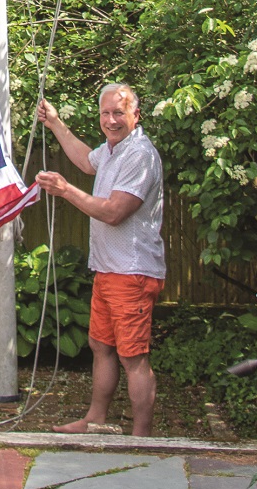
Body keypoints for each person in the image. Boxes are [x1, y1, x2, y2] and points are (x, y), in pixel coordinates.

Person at [35, 82, 165, 437]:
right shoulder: (112, 149)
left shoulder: (140, 154)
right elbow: (84, 161)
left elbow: (113, 213)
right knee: (101, 347)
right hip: (108, 269)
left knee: (133, 357)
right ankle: (95, 419)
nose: (111, 120)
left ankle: (142, 438)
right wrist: (57, 124)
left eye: (119, 113)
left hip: (132, 271)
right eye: (106, 113)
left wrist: (65, 190)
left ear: (136, 115)